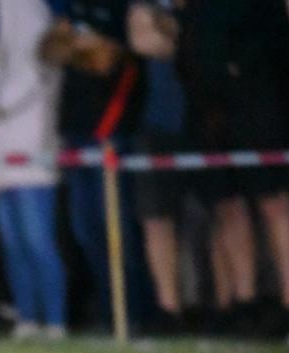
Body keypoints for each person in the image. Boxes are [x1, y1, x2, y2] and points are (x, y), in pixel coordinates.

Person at [180, 0, 289, 337]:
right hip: (208, 104)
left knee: (273, 200)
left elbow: (285, 42)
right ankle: (244, 303)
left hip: (259, 102)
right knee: (227, 206)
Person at [42, 0, 153, 332]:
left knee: (118, 231)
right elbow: (49, 52)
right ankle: (108, 311)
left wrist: (75, 46)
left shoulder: (118, 8)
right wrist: (83, 48)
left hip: (110, 131)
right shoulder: (73, 7)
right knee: (86, 231)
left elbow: (107, 61)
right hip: (75, 133)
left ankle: (136, 313)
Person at [0, 0, 68, 340]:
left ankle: (55, 321)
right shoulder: (1, 44)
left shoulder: (41, 36)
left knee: (39, 241)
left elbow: (15, 92)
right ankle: (27, 318)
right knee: (13, 245)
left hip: (33, 155)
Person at [127, 0, 193, 333]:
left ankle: (228, 304)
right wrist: (173, 31)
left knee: (215, 216)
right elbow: (144, 41)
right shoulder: (144, 5)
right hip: (155, 122)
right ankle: (169, 307)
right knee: (156, 218)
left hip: (202, 118)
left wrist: (167, 27)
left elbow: (186, 41)